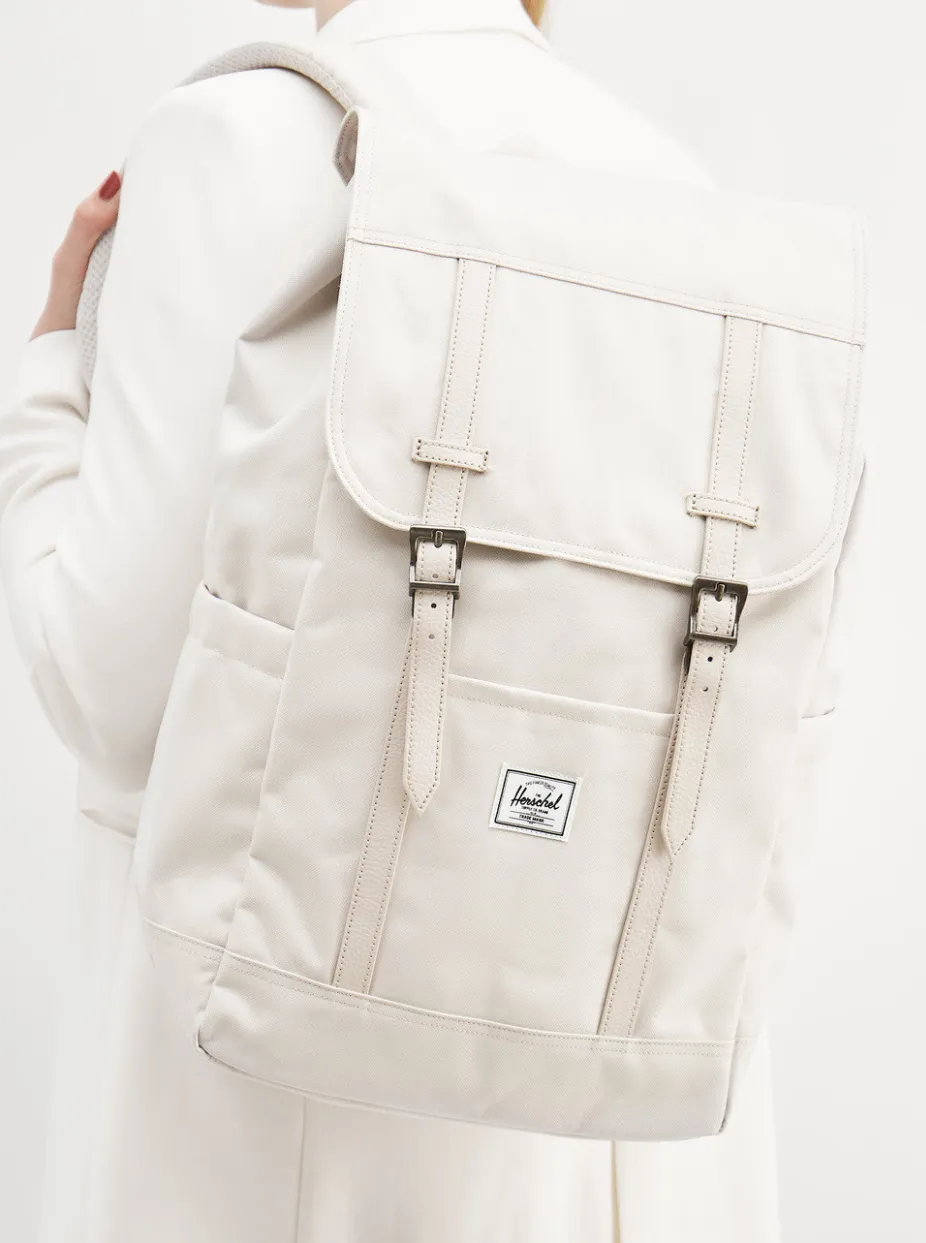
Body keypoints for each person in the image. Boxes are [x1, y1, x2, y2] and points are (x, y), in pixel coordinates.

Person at [0, 2, 782, 1239]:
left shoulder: (232, 138)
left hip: (262, 1126)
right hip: (581, 1145)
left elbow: (108, 691)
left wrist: (48, 387)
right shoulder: (675, 187)